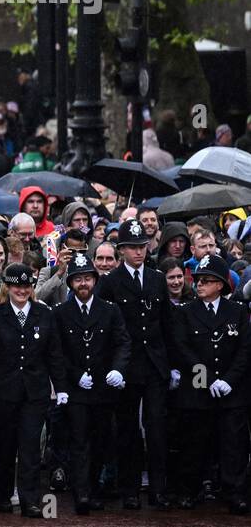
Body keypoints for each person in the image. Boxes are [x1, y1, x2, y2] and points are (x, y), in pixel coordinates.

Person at [0, 262, 67, 517]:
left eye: (26, 285)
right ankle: (4, 495)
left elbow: (54, 354)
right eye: (17, 285)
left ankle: (30, 499)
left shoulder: (44, 314)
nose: (22, 290)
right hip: (2, 391)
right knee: (4, 446)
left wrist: (60, 388)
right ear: (8, 286)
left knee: (30, 446)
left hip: (34, 393)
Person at [94, 217, 174, 510]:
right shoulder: (111, 283)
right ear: (121, 250)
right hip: (125, 367)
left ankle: (157, 489)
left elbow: (167, 323)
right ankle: (128, 489)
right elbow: (104, 328)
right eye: (131, 247)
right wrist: (108, 366)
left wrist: (173, 363)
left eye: (141, 246)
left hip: (154, 364)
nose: (138, 252)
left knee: (156, 428)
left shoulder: (156, 278)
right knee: (126, 430)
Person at [168, 253, 250, 514]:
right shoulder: (185, 312)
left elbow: (244, 350)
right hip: (197, 389)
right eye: (199, 280)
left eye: (206, 281)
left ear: (220, 285)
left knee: (233, 444)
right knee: (194, 443)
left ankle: (234, 492)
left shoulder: (236, 312)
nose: (199, 285)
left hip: (231, 391)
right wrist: (207, 378)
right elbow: (182, 348)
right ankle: (189, 490)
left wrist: (227, 381)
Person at [53, 251, 129, 515]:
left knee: (101, 440)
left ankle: (94, 489)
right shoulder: (61, 313)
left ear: (95, 281)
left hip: (102, 388)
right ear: (71, 283)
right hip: (77, 389)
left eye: (87, 279)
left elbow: (122, 342)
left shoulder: (109, 310)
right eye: (78, 280)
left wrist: (118, 369)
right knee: (79, 441)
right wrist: (74, 376)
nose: (83, 284)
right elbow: (57, 352)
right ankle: (81, 492)